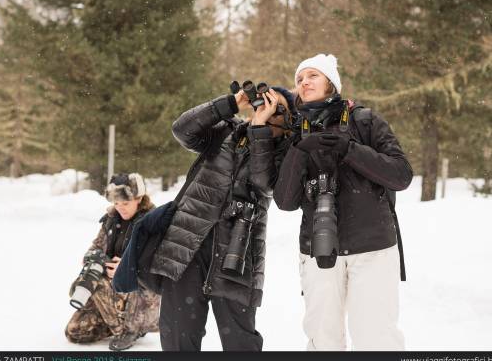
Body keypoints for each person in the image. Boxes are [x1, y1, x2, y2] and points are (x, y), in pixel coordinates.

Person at [273, 54, 413, 350]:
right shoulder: (295, 131)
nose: (304, 82)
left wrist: (350, 150)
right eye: (299, 79)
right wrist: (299, 150)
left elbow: (401, 175)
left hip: (373, 247)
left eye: (312, 75)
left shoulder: (365, 120)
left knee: (376, 337)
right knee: (324, 339)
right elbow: (285, 201)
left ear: (331, 83)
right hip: (318, 250)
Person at [149, 87, 294, 351]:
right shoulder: (226, 132)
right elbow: (182, 130)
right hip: (187, 248)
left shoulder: (286, 150)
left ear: (287, 118)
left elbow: (264, 182)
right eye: (264, 102)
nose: (265, 108)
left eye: (276, 106)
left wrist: (260, 129)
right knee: (178, 338)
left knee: (240, 342)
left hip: (238, 253)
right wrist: (230, 103)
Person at [65, 173, 160, 351]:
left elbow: (161, 263)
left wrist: (127, 267)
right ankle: (114, 318)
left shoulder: (153, 221)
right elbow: (94, 248)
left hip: (141, 295)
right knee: (75, 331)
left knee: (99, 284)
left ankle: (128, 329)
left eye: (125, 203)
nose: (120, 208)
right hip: (112, 288)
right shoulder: (111, 219)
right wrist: (96, 260)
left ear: (139, 198)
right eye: (116, 203)